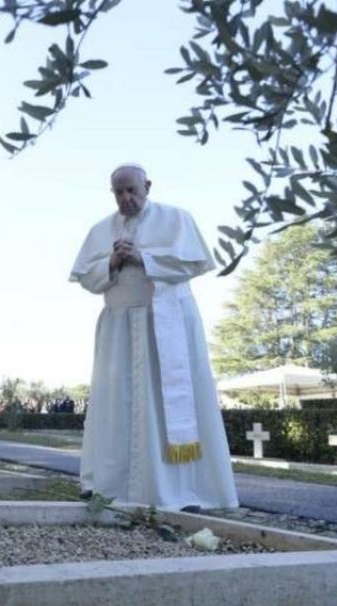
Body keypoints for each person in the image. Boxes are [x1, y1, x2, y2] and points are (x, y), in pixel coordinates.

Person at [69, 163, 238, 511]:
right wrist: (111, 262)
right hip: (118, 327)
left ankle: (182, 490)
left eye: (132, 189)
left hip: (166, 323)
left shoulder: (177, 219)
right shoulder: (100, 230)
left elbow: (194, 264)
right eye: (118, 191)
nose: (125, 198)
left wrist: (143, 258)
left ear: (148, 185)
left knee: (165, 405)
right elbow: (86, 278)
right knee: (116, 404)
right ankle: (109, 484)